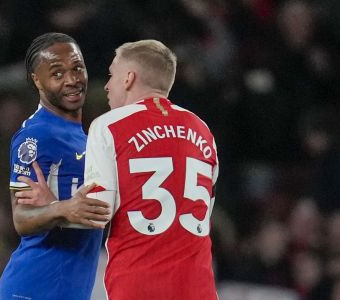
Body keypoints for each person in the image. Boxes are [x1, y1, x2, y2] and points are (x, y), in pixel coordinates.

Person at [20, 39, 220, 299]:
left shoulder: (109, 126)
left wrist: (54, 206)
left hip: (139, 284)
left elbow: (97, 212)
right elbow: (202, 215)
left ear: (128, 78)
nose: (106, 85)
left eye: (112, 75)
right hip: (198, 287)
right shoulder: (203, 131)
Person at [0, 32, 111, 300]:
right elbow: (21, 219)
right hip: (35, 287)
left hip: (69, 288)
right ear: (37, 80)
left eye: (77, 68)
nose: (72, 80)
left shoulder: (84, 137)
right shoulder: (36, 136)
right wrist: (63, 208)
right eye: (57, 74)